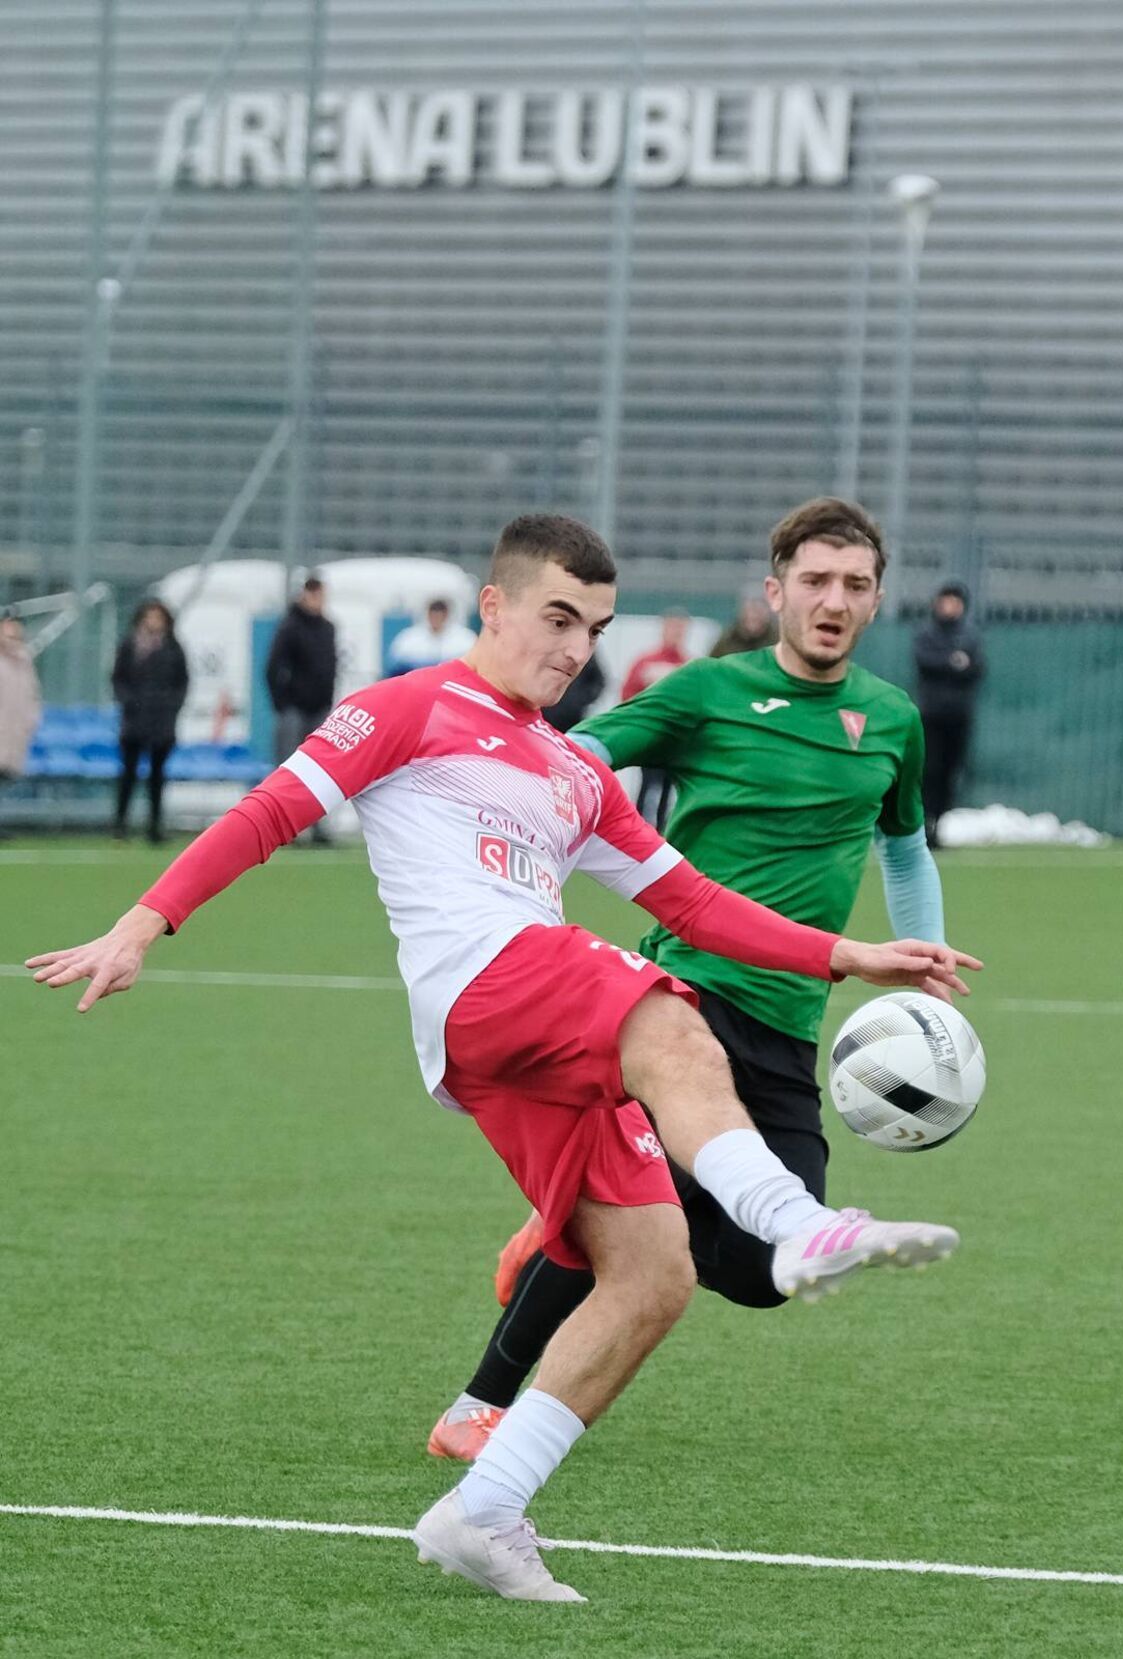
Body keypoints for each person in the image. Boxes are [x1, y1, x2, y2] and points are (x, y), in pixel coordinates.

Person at [27, 514, 979, 1605]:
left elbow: (691, 900)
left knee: (653, 1275)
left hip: (524, 1035)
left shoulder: (574, 771)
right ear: (495, 606)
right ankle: (803, 1227)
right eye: (558, 619)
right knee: (667, 1017)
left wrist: (847, 953)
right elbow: (270, 811)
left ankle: (482, 1511)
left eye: (596, 630)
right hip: (485, 984)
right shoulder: (408, 707)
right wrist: (145, 922)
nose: (576, 650)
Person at [428, 496, 956, 1463]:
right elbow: (574, 753)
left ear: (877, 600)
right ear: (775, 591)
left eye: (854, 584)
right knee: (636, 1213)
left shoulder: (890, 719)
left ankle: (563, 1222)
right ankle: (476, 1406)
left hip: (793, 1014)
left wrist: (920, 979)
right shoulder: (708, 691)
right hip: (682, 996)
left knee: (765, 1274)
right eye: (814, 581)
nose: (832, 600)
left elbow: (907, 847)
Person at [265, 575, 337, 844]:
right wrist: (283, 704)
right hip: (294, 708)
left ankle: (318, 828)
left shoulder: (328, 628)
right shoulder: (290, 627)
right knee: (288, 771)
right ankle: (283, 828)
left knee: (320, 773)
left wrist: (327, 700)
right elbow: (273, 668)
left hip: (319, 709)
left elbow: (330, 667)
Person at [914, 581, 986, 847]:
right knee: (928, 771)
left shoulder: (970, 636)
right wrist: (953, 662)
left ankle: (938, 824)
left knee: (950, 771)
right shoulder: (927, 634)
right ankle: (923, 824)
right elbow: (927, 662)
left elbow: (976, 668)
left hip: (959, 715)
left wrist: (956, 665)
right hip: (931, 716)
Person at [111, 600, 189, 844]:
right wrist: (129, 703)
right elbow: (117, 679)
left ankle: (154, 827)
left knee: (157, 777)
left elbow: (182, 682)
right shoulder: (130, 645)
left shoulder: (174, 648)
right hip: (134, 721)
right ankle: (120, 825)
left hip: (161, 722)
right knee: (128, 775)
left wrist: (170, 707)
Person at [620, 609, 690, 830]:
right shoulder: (646, 662)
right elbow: (627, 694)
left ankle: (660, 832)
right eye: (672, 627)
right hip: (649, 735)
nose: (675, 633)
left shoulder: (688, 666)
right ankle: (637, 828)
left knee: (668, 787)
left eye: (679, 629)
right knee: (647, 784)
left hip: (674, 739)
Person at [0, 612, 41, 833]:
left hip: (14, 729)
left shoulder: (24, 660)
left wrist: (31, 720)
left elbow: (31, 694)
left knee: (4, 777)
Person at [387, 597, 477, 675]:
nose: (436, 620)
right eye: (433, 616)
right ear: (428, 614)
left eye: (439, 616)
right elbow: (396, 669)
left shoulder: (465, 640)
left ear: (446, 616)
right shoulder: (408, 639)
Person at [543, 649, 606, 733]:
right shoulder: (545, 647)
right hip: (546, 718)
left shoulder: (583, 650)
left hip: (572, 720)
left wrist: (579, 701)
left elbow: (598, 681)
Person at [710, 590, 774, 657]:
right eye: (749, 611)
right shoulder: (728, 640)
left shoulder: (777, 641)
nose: (753, 615)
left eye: (759, 612)